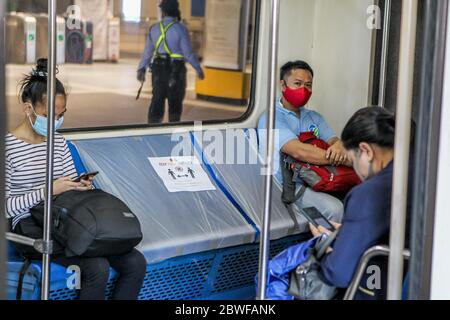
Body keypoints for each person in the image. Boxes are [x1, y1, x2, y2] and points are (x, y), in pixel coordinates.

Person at [5, 59, 146, 300]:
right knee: (96, 267)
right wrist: (48, 190)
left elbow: (67, 181)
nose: (56, 121)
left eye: (61, 115)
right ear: (28, 109)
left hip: (61, 219)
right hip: (29, 225)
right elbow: (6, 208)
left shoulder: (58, 141)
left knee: (136, 262)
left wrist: (79, 185)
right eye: (50, 115)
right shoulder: (8, 147)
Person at [310, 106, 411, 300]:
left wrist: (327, 246)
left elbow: (337, 273)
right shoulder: (420, 174)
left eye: (353, 161)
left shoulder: (368, 193)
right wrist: (348, 231)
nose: (356, 169)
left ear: (365, 150)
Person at [257, 60, 347, 224]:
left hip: (315, 179)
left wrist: (340, 146)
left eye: (308, 85)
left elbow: (334, 141)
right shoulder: (271, 118)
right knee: (335, 209)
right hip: (286, 186)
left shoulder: (314, 117)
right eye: (297, 83)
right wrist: (344, 158)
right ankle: (325, 249)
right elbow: (299, 151)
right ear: (283, 85)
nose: (303, 90)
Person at [137, 0, 205, 124]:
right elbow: (188, 54)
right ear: (176, 11)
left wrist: (141, 69)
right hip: (176, 71)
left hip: (158, 71)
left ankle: (153, 130)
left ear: (163, 11)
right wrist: (198, 69)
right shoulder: (181, 29)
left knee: (157, 100)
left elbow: (147, 52)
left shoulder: (155, 28)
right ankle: (173, 130)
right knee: (175, 103)